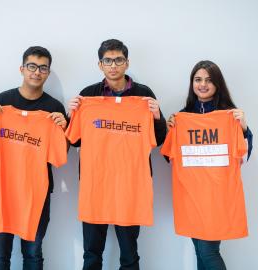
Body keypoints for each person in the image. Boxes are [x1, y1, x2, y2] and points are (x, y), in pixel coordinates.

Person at [67, 39, 167, 270]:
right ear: (100, 64)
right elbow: (76, 141)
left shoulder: (143, 95)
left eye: (118, 60)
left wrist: (156, 117)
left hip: (131, 186)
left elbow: (158, 139)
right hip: (96, 185)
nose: (113, 65)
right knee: (92, 253)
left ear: (127, 62)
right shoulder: (88, 96)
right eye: (108, 61)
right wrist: (73, 115)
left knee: (130, 254)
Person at [0, 46, 68, 270]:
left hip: (38, 193)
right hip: (4, 191)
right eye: (32, 66)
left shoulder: (53, 109)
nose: (37, 72)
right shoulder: (2, 104)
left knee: (33, 253)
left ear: (47, 72)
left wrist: (63, 128)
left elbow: (60, 154)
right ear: (22, 68)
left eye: (42, 68)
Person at [164, 60, 253, 270]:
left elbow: (243, 156)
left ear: (217, 84)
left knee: (208, 251)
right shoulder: (183, 116)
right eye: (198, 79)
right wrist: (172, 132)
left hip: (217, 196)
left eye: (209, 80)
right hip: (191, 195)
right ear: (192, 83)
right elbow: (170, 157)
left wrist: (243, 128)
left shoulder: (229, 115)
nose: (203, 84)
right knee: (199, 250)